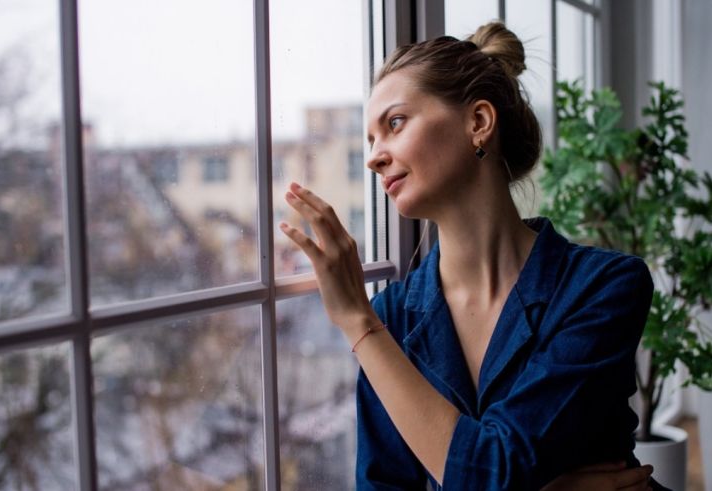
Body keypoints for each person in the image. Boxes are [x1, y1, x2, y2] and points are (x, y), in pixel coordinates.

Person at [278, 20, 667, 491]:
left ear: (478, 123)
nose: (374, 157)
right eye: (371, 140)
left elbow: (495, 472)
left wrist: (358, 324)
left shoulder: (604, 288)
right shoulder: (393, 319)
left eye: (395, 123)